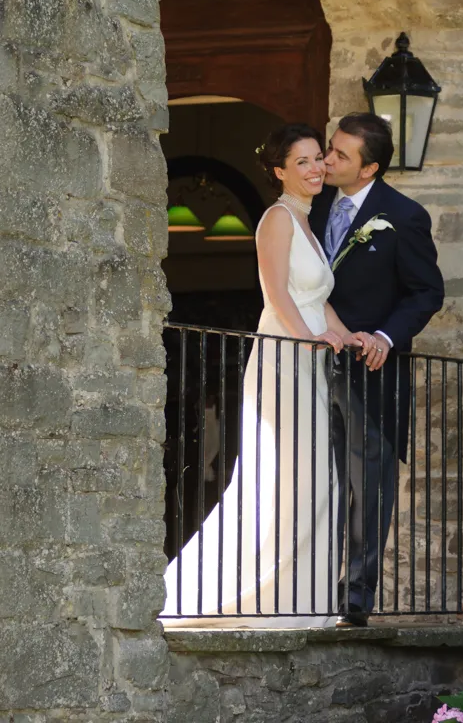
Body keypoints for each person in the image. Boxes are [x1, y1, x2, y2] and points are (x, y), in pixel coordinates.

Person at [162, 122, 374, 627]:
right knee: (288, 477)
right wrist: (311, 339)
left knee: (315, 479)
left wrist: (349, 336)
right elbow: (278, 295)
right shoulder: (277, 219)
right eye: (301, 161)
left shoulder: (306, 220)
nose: (316, 167)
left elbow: (317, 301)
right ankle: (248, 596)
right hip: (283, 360)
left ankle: (302, 598)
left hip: (307, 357)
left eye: (318, 157)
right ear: (280, 172)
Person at [309, 112, 444, 627]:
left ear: (369, 169)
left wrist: (386, 338)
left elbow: (426, 291)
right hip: (311, 361)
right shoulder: (312, 204)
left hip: (372, 369)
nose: (327, 160)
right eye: (328, 148)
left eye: (340, 154)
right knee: (314, 475)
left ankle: (356, 595)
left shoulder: (403, 216)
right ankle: (310, 582)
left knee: (368, 483)